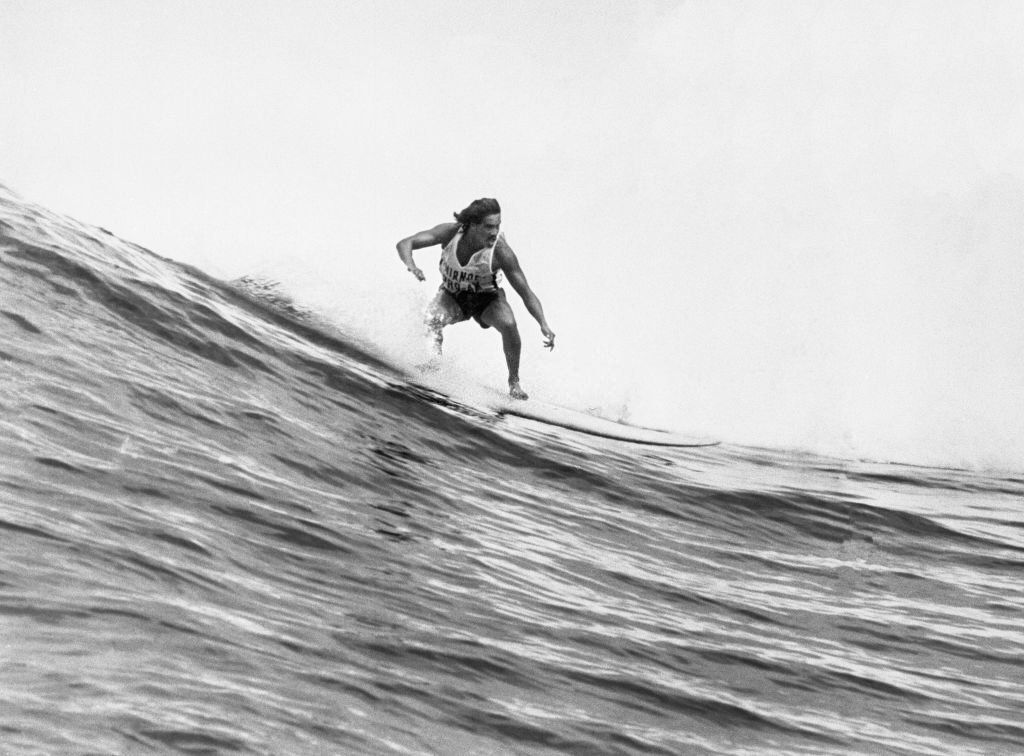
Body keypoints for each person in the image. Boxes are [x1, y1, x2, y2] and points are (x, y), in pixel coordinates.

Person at [396, 198, 555, 400]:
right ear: (472, 225)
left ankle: (514, 382)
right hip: (453, 295)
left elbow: (526, 292)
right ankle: (434, 364)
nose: (494, 232)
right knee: (431, 317)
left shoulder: (501, 252)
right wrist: (412, 265)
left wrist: (543, 323)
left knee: (509, 324)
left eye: (497, 226)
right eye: (489, 227)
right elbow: (405, 243)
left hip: (488, 299)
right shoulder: (450, 233)